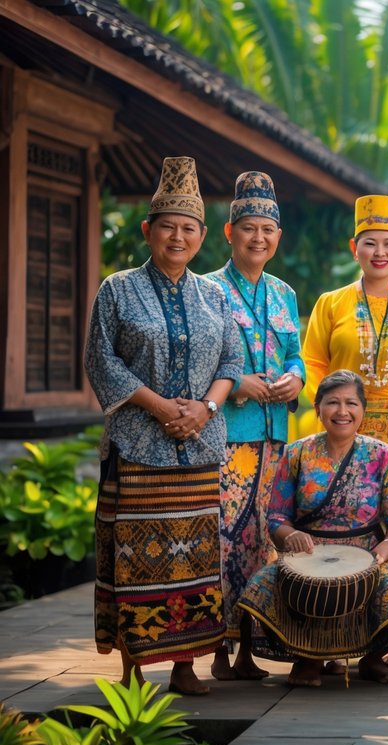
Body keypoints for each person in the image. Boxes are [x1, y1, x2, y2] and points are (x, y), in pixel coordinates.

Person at [85, 157, 243, 696]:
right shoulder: (117, 289)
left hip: (199, 448)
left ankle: (184, 665)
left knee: (195, 559)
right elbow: (102, 360)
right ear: (147, 229)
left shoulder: (215, 295)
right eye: (168, 227)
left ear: (202, 236)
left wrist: (205, 409)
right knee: (134, 559)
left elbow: (231, 361)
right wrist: (159, 407)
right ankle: (133, 665)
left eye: (189, 228)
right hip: (136, 446)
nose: (178, 237)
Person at [237, 370, 388, 687]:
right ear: (318, 408)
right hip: (307, 556)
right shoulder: (296, 453)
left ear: (362, 409)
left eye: (351, 403)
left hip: (365, 556)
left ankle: (372, 658)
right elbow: (276, 517)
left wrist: (383, 552)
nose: (342, 411)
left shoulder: (384, 456)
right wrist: (291, 535)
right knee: (262, 584)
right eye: (333, 402)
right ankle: (308, 658)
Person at [303, 195, 388, 577]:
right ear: (354, 248)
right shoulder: (331, 303)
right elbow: (312, 363)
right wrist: (330, 413)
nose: (380, 252)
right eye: (370, 243)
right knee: (340, 518)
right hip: (341, 428)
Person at [203, 171, 305, 682]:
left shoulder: (284, 294)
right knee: (224, 543)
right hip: (228, 437)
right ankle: (217, 650)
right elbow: (199, 363)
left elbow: (295, 354)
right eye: (249, 228)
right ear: (229, 232)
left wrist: (295, 378)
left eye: (267, 230)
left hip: (275, 440)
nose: (258, 238)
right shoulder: (206, 290)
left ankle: (251, 647)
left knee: (265, 543)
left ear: (278, 237)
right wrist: (237, 383)